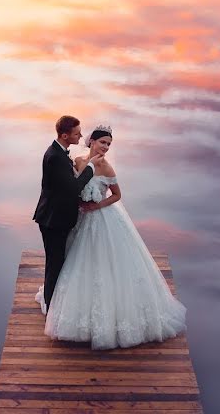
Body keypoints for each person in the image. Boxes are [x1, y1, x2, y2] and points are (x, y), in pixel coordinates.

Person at [36, 124, 187, 349]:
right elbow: (70, 187)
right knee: (74, 259)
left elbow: (117, 195)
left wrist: (97, 206)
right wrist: (79, 202)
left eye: (108, 144)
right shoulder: (77, 161)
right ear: (91, 142)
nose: (105, 147)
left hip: (101, 217)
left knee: (106, 261)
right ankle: (59, 302)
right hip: (79, 218)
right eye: (102, 142)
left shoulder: (107, 168)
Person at [33, 115, 103, 311]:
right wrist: (90, 167)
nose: (81, 136)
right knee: (54, 264)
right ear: (65, 135)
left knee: (57, 261)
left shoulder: (60, 152)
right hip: (53, 220)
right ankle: (49, 306)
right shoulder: (55, 157)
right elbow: (73, 188)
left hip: (55, 216)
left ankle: (53, 302)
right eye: (77, 133)